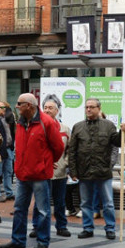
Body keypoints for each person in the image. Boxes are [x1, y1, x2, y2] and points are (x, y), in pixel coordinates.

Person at [0, 93, 64, 248]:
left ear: (29, 105)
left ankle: (43, 240)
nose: (17, 107)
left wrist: (46, 162)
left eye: (19, 104)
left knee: (42, 209)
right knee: (20, 208)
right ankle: (18, 240)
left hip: (39, 175)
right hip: (22, 174)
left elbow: (58, 148)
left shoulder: (46, 123)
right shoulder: (20, 123)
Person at [66, 98, 125, 240]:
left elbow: (117, 142)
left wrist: (123, 132)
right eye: (87, 107)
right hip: (84, 172)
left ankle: (110, 228)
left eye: (91, 107)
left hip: (103, 172)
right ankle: (87, 228)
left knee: (108, 203)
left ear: (99, 108)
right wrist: (73, 171)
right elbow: (72, 151)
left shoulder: (108, 125)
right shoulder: (78, 127)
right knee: (85, 203)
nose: (88, 110)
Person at [42, 95, 71, 237]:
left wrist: (65, 163)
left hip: (60, 172)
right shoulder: (38, 127)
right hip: (42, 172)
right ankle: (38, 227)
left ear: (57, 110)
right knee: (41, 203)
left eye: (51, 108)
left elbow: (70, 150)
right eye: (45, 108)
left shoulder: (65, 128)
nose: (47, 110)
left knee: (60, 202)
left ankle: (61, 226)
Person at [0, 101, 15, 202]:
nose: (4, 110)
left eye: (5, 108)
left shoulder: (8, 119)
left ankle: (9, 192)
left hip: (9, 148)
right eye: (2, 107)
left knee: (9, 171)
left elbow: (12, 133)